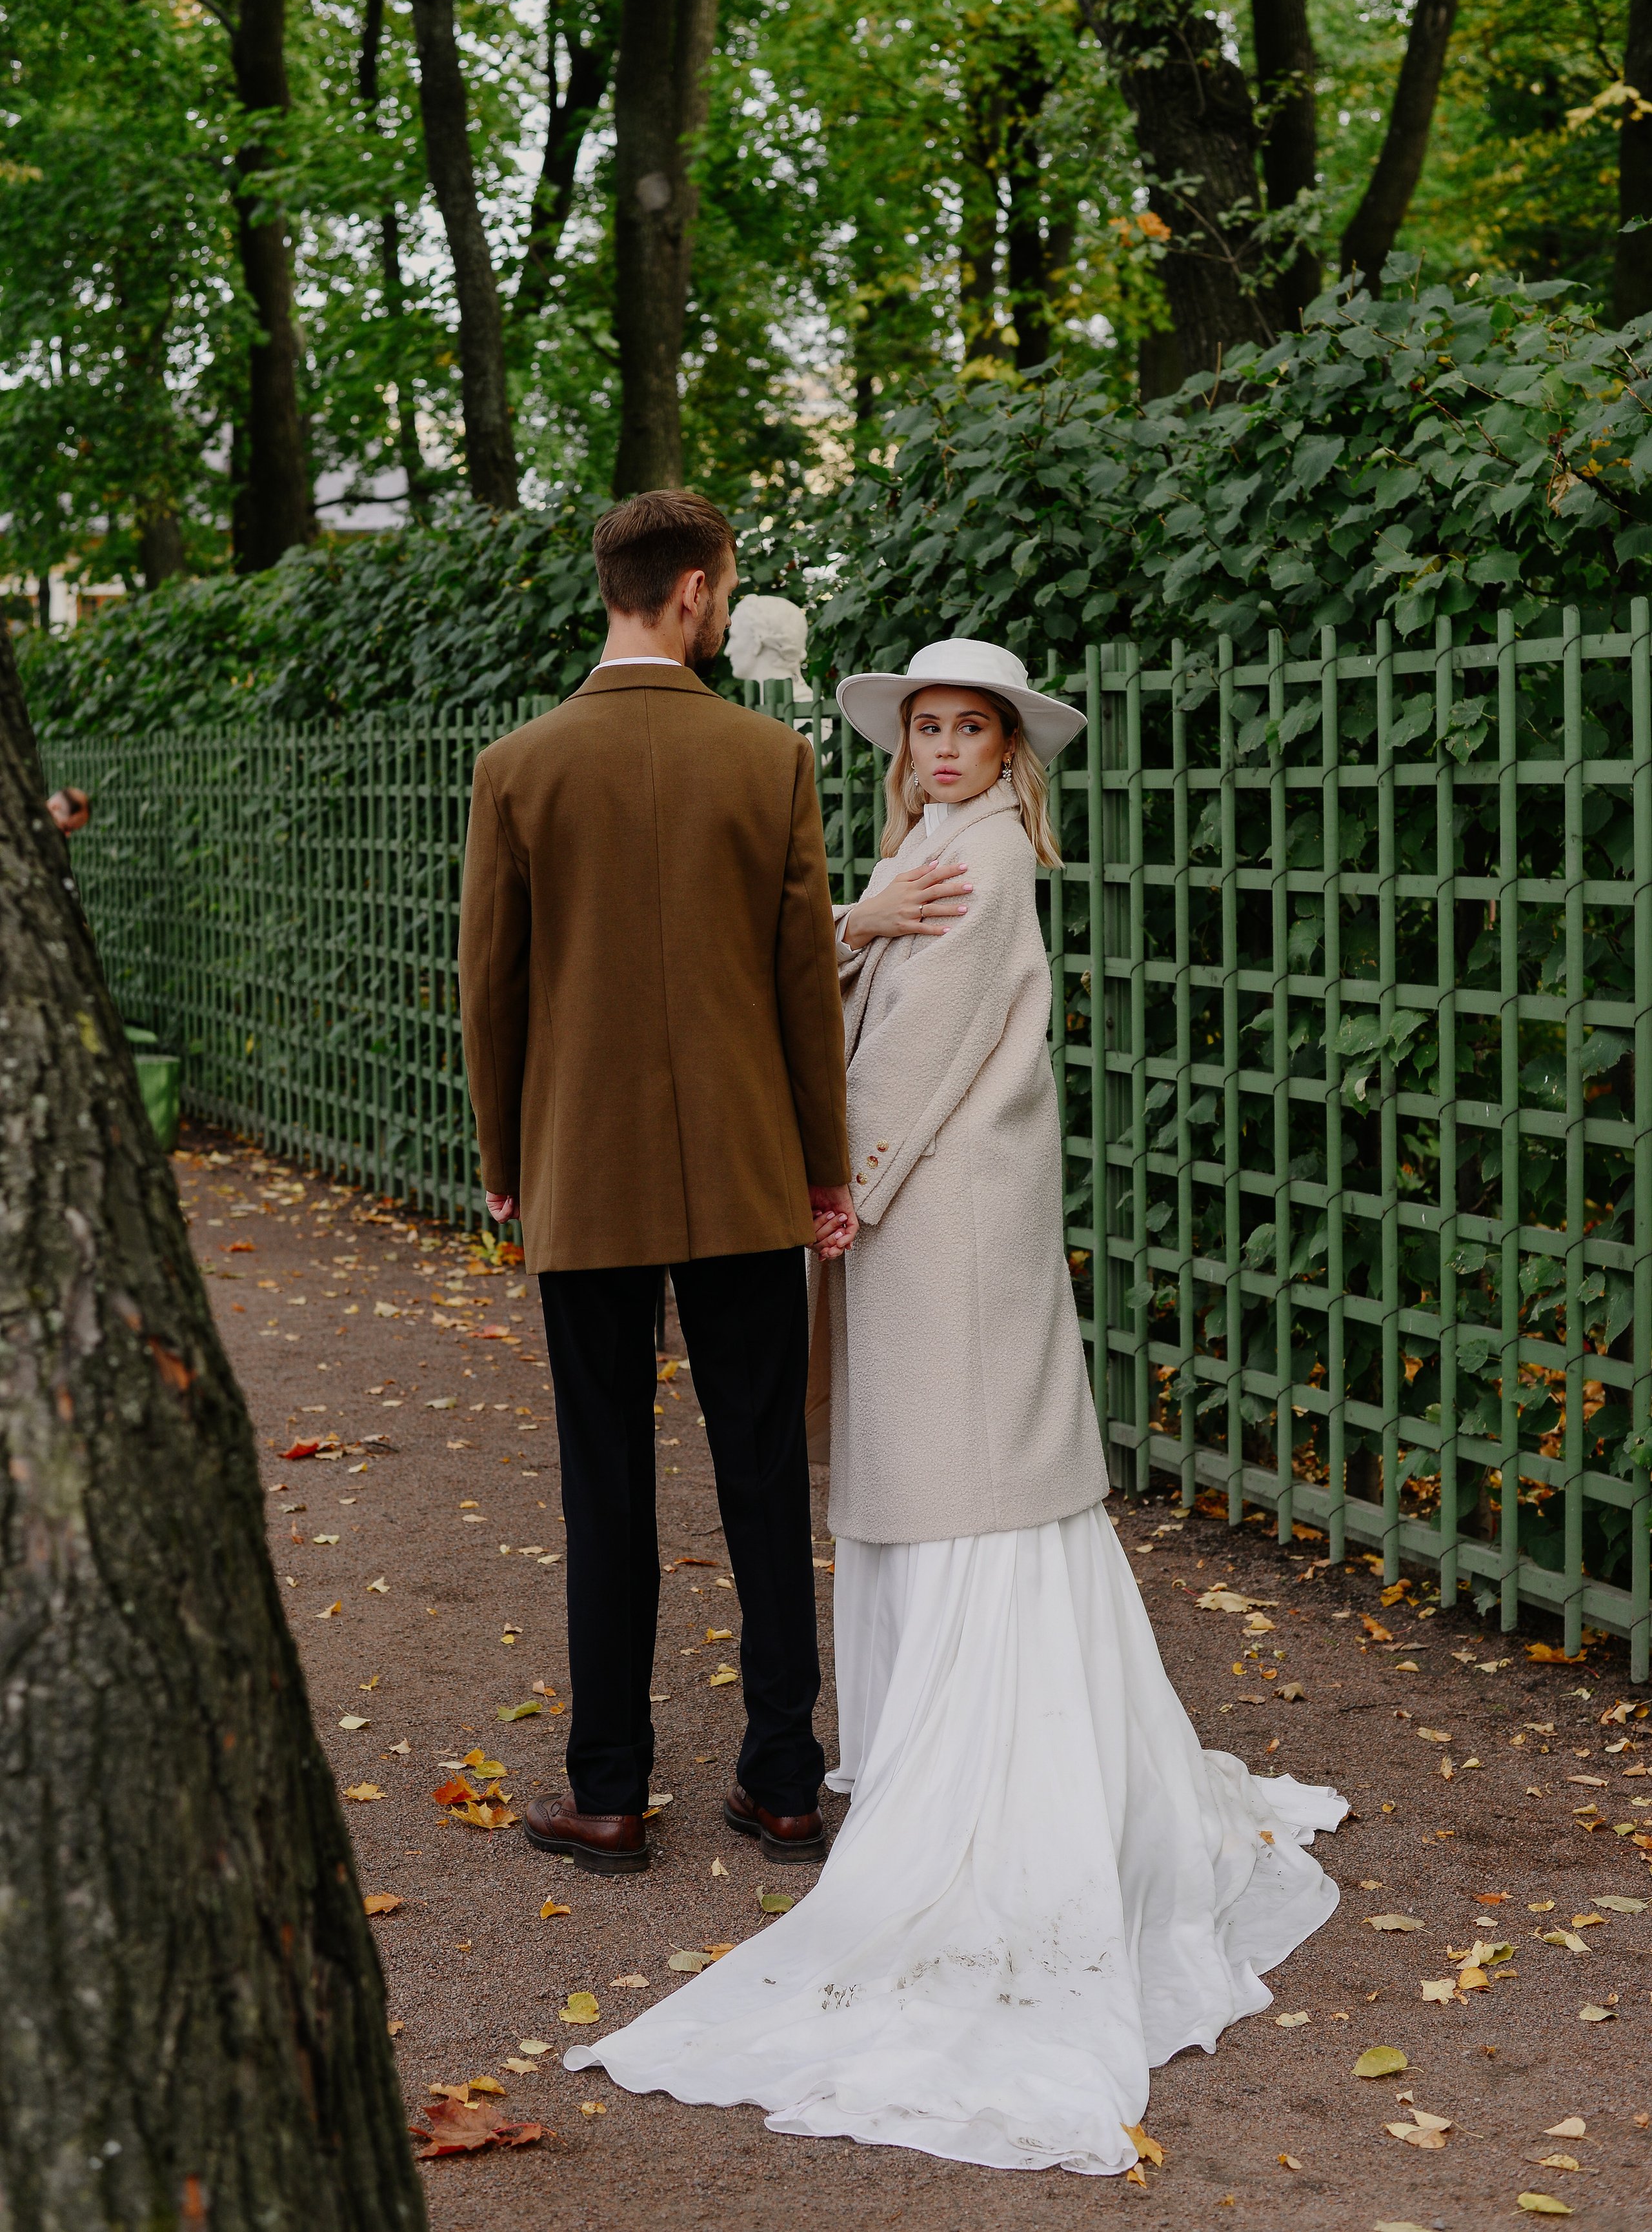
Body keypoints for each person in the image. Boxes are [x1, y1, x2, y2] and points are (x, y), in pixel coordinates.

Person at [565, 636, 1345, 2174]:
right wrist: (850, 922)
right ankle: (930, 1752)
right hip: (923, 1222)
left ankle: (979, 1772)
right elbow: (848, 978)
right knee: (936, 1472)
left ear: (1007, 754)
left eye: (966, 729)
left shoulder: (983, 868)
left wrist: (828, 1188)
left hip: (946, 1221)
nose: (939, 748)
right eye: (922, 725)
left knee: (963, 1473)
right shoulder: (918, 851)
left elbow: (907, 1063)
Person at [458, 490, 856, 1877]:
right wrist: (821, 1169)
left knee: (602, 1482)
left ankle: (611, 1793)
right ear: (693, 593)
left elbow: (491, 992)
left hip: (584, 1178)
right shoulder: (769, 760)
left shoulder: (516, 767)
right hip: (745, 1174)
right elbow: (804, 987)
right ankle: (783, 1782)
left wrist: (508, 1163)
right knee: (758, 1476)